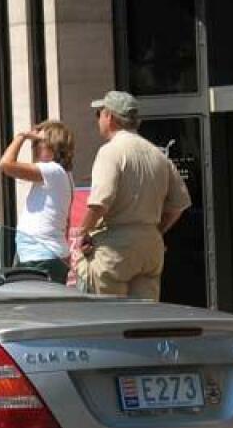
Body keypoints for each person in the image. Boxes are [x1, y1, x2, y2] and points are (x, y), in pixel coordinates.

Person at [74, 90, 190, 300]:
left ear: (109, 116)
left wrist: (82, 233)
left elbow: (100, 202)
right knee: (144, 321)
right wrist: (156, 229)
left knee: (109, 317)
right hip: (150, 245)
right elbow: (179, 204)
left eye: (99, 113)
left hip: (115, 247)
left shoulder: (110, 151)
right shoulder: (158, 154)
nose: (98, 119)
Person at [0, 120, 75, 283]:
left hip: (40, 255)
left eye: (39, 142)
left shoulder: (52, 170)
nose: (35, 147)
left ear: (52, 145)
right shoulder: (62, 174)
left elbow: (6, 164)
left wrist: (21, 136)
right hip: (42, 253)